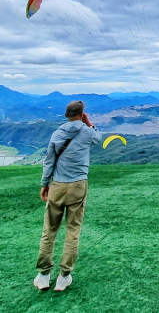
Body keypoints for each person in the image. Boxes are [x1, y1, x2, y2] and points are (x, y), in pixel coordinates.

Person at [33, 100, 103, 292]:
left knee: (49, 231)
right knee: (72, 231)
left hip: (57, 184)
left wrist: (44, 184)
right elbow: (98, 139)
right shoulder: (87, 131)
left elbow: (49, 160)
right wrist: (88, 123)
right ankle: (64, 276)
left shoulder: (57, 133)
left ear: (66, 115)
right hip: (78, 185)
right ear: (82, 114)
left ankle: (43, 275)